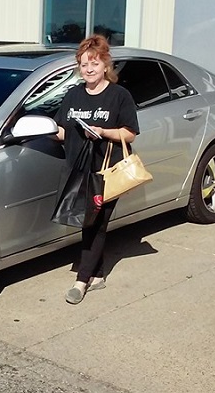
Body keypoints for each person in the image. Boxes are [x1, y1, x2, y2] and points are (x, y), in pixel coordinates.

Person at [53, 34, 139, 304]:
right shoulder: (74, 94)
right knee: (88, 219)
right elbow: (62, 131)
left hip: (106, 171)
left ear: (105, 65)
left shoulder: (119, 96)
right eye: (83, 64)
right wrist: (41, 129)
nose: (88, 69)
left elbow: (130, 133)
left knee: (95, 223)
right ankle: (98, 274)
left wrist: (103, 131)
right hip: (79, 168)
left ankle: (81, 280)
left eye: (94, 63)